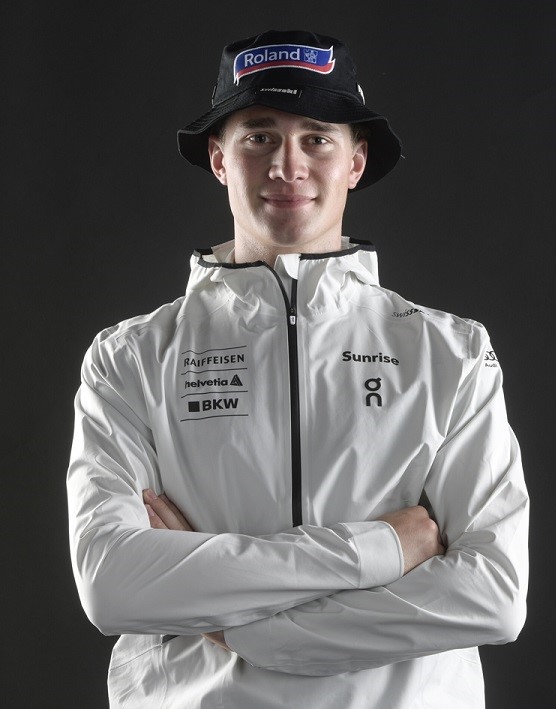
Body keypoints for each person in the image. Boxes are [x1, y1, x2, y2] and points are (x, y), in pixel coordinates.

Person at [67, 29, 529, 708]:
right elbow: (112, 584)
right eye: (259, 137)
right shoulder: (129, 357)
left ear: (356, 162)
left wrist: (241, 628)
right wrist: (380, 547)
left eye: (317, 138)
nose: (288, 165)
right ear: (220, 159)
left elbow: (493, 596)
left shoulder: (450, 352)